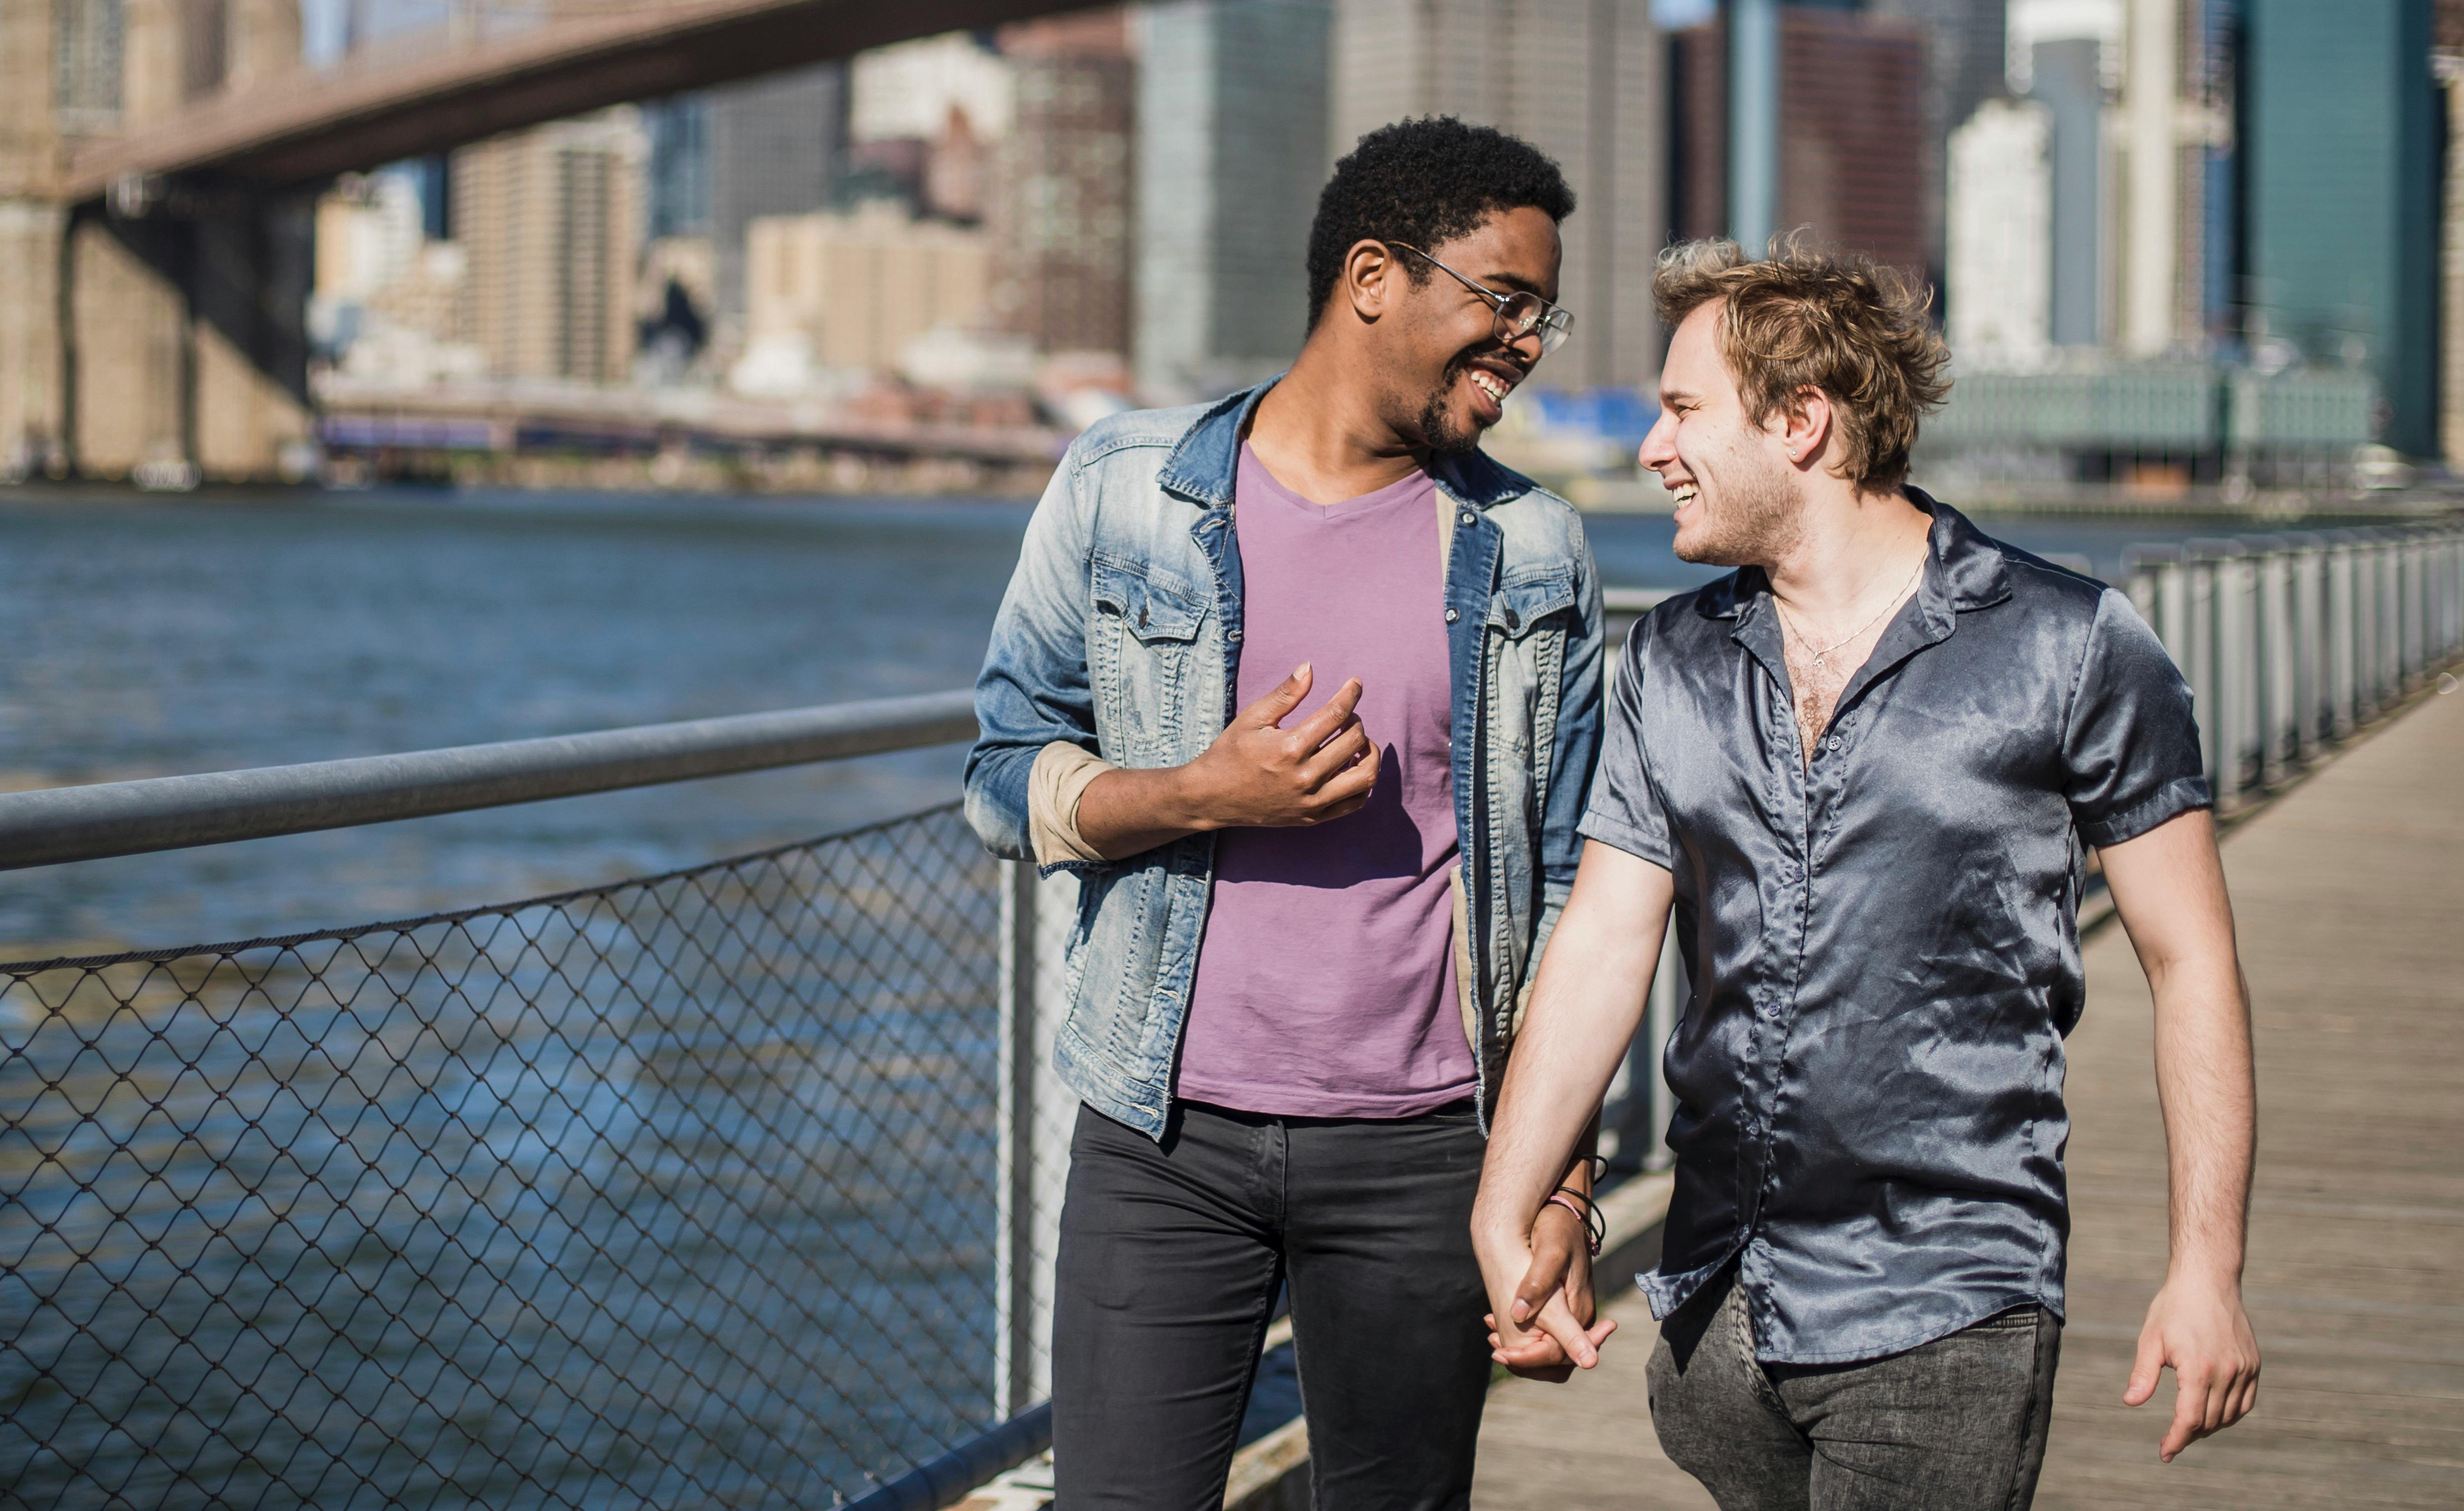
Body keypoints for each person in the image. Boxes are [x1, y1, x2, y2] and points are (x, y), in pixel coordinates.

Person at [1469, 239, 2261, 1510]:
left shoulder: (2070, 642)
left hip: (1944, 1301)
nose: (1650, 450)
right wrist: (1513, 1208)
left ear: (1801, 421)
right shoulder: (1671, 656)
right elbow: (1606, 941)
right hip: (1715, 1310)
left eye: (1681, 411)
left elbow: (2190, 956)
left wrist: (2205, 1266)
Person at [965, 117, 1608, 1511]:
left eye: (1544, 314)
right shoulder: (1122, 489)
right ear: (1375, 277)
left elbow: (1574, 890)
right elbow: (1001, 770)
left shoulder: (1537, 549)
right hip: (1162, 1141)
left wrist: (1558, 1184)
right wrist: (1201, 792)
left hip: (1430, 1151)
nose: (1531, 343)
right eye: (1507, 302)